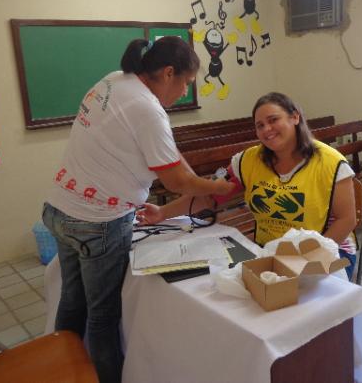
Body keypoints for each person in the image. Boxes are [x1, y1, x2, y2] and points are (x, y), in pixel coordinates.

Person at [41, 36, 235, 383]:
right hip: (96, 224)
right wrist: (216, 187)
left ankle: (62, 370)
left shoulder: (115, 80)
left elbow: (170, 157)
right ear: (168, 72)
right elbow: (177, 180)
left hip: (60, 210)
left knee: (72, 301)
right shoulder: (147, 108)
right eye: (186, 84)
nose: (184, 94)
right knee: (102, 316)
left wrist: (193, 180)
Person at [138, 92, 358, 278]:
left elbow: (347, 219)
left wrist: (308, 261)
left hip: (329, 251)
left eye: (273, 120)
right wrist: (162, 213)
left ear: (295, 117)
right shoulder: (248, 161)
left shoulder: (331, 162)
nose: (266, 129)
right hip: (269, 251)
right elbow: (210, 196)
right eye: (260, 125)